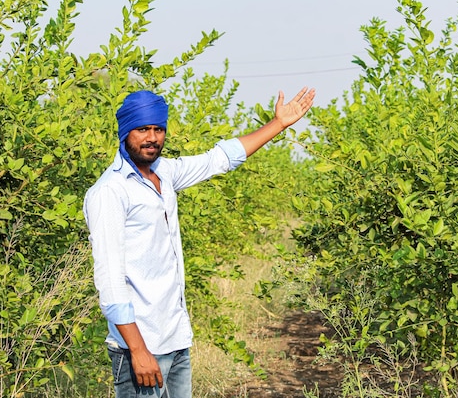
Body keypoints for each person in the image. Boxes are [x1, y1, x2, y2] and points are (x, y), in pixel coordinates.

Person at [83, 86, 315, 398]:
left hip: (176, 338)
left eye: (158, 129)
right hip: (140, 347)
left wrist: (278, 124)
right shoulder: (110, 192)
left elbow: (218, 159)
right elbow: (110, 281)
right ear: (126, 131)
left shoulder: (164, 174)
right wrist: (138, 351)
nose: (151, 138)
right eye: (142, 129)